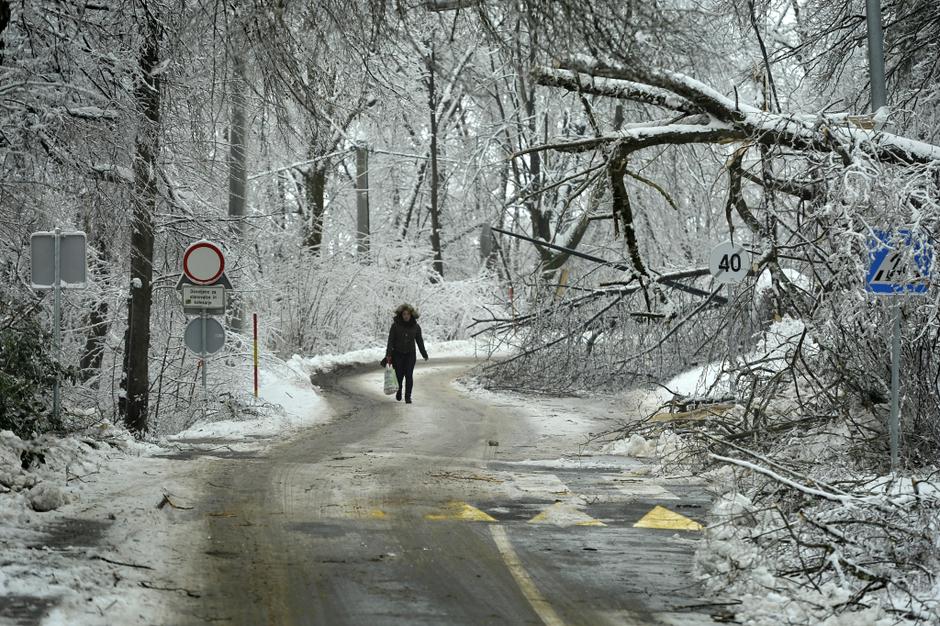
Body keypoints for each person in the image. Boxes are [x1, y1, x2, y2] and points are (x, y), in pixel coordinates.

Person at [384, 303, 428, 403]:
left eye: (408, 314)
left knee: (409, 375)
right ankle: (399, 391)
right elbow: (390, 341)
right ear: (401, 315)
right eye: (404, 314)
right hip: (398, 354)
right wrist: (388, 354)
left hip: (410, 354)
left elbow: (420, 341)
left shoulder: (416, 327)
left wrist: (424, 353)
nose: (406, 316)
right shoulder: (395, 326)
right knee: (399, 375)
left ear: (411, 315)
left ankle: (408, 396)